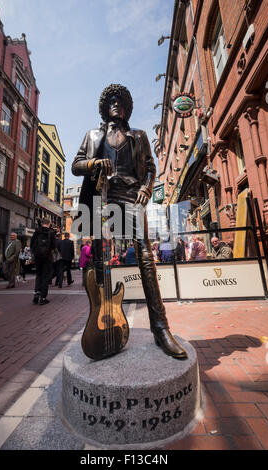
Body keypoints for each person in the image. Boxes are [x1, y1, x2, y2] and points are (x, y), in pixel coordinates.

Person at [72, 83, 187, 359]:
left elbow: (150, 167)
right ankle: (102, 325)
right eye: (111, 100)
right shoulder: (92, 134)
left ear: (127, 107)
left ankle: (160, 328)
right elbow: (77, 165)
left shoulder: (139, 135)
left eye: (120, 100)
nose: (115, 103)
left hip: (131, 195)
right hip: (101, 194)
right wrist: (94, 164)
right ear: (104, 107)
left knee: (145, 253)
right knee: (99, 259)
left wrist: (148, 187)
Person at [31, 218, 56, 305]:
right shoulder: (51, 232)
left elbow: (32, 244)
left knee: (39, 275)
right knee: (45, 277)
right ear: (49, 223)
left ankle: (36, 294)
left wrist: (35, 253)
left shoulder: (37, 231)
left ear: (42, 223)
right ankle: (43, 298)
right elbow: (53, 246)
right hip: (47, 257)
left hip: (38, 257)